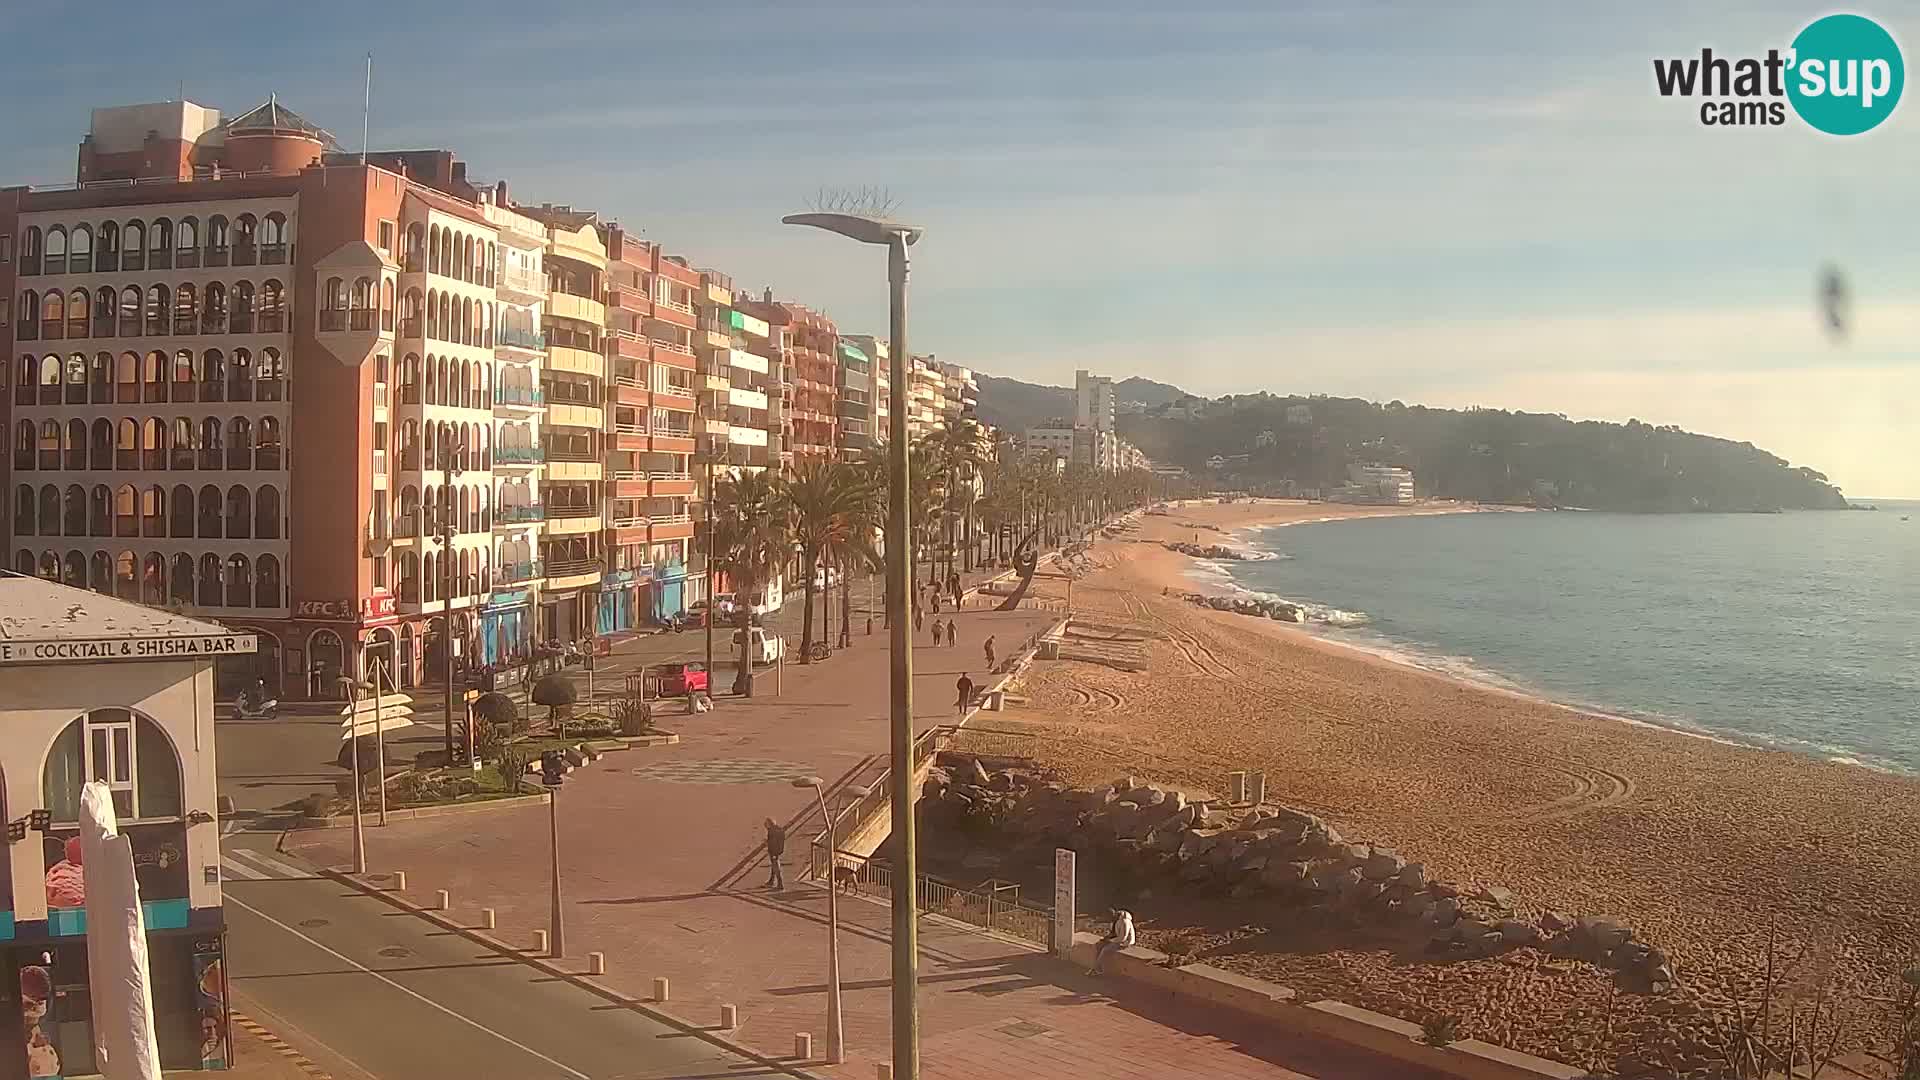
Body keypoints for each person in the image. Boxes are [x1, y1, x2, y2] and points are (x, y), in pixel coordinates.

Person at [1089, 908, 1135, 975]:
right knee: (1098, 945)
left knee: (1105, 950)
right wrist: (1106, 938)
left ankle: (1097, 969)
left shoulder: (1124, 921)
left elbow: (1123, 937)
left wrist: (1110, 940)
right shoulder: (1115, 920)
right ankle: (1098, 967)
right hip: (1116, 939)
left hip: (1125, 942)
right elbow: (1113, 933)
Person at [764, 819, 787, 890]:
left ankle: (780, 884)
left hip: (774, 852)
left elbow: (772, 842)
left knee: (776, 867)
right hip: (776, 851)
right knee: (774, 867)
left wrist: (768, 844)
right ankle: (771, 881)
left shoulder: (772, 831)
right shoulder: (778, 830)